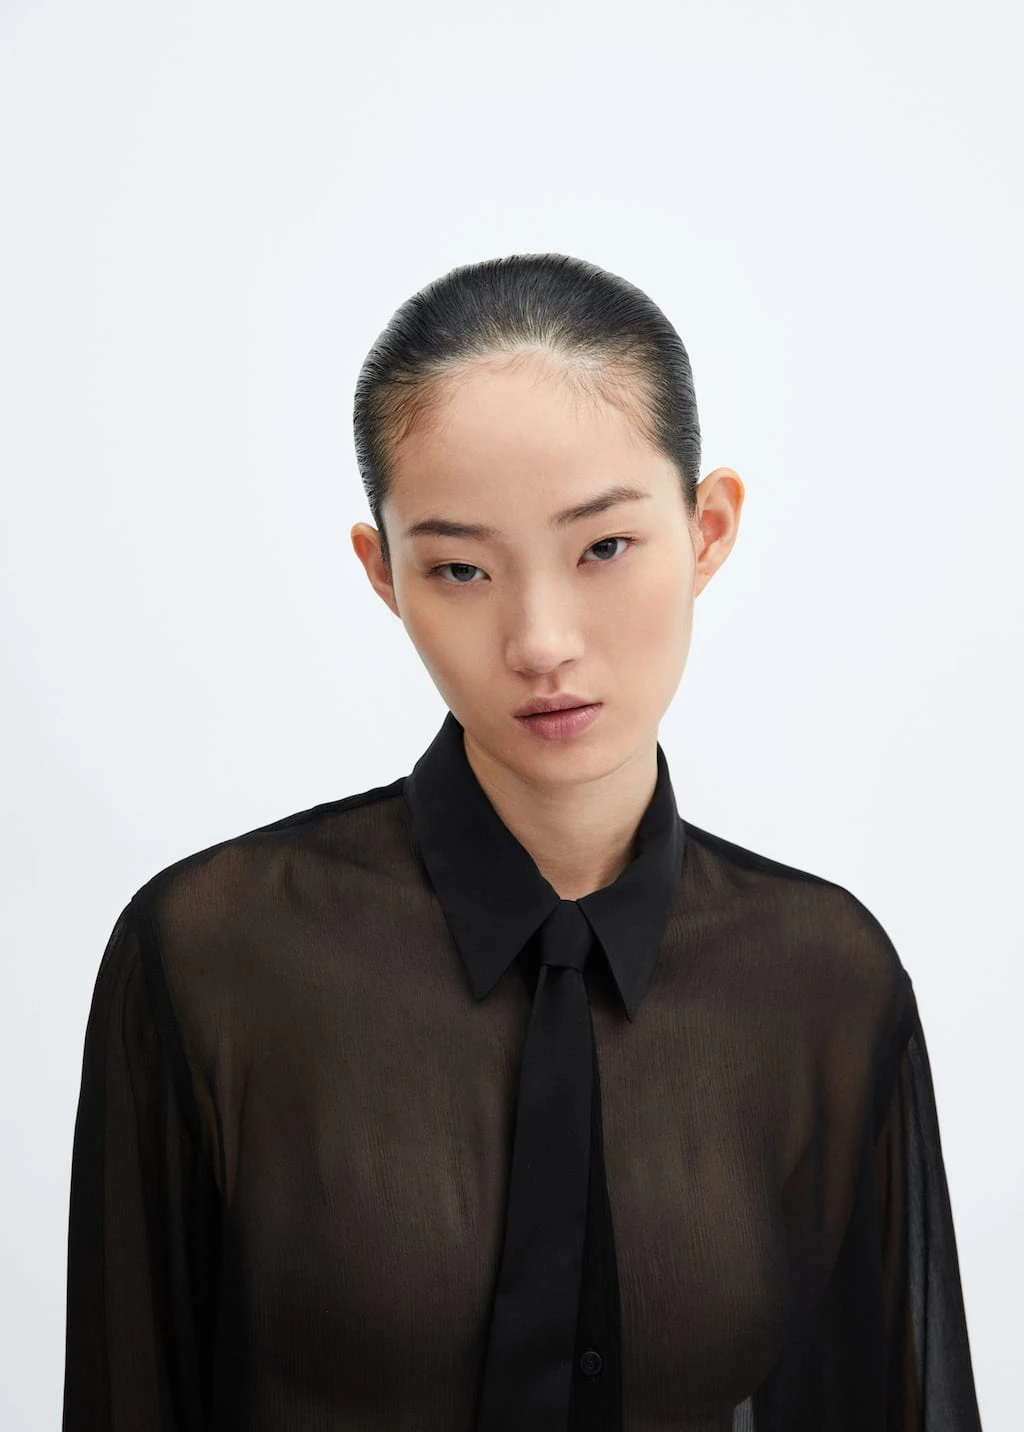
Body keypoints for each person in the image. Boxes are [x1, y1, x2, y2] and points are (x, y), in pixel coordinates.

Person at [62, 253, 983, 1430]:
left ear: (706, 529)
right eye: (459, 567)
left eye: (603, 547)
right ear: (383, 573)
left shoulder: (825, 981)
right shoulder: (212, 961)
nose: (541, 640)